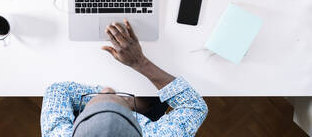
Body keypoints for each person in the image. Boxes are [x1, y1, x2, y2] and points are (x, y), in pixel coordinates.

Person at [41, 20, 208, 137]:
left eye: (91, 112)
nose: (108, 89)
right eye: (113, 95)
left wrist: (115, 99)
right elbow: (194, 107)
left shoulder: (59, 134)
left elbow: (58, 90)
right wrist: (139, 62)